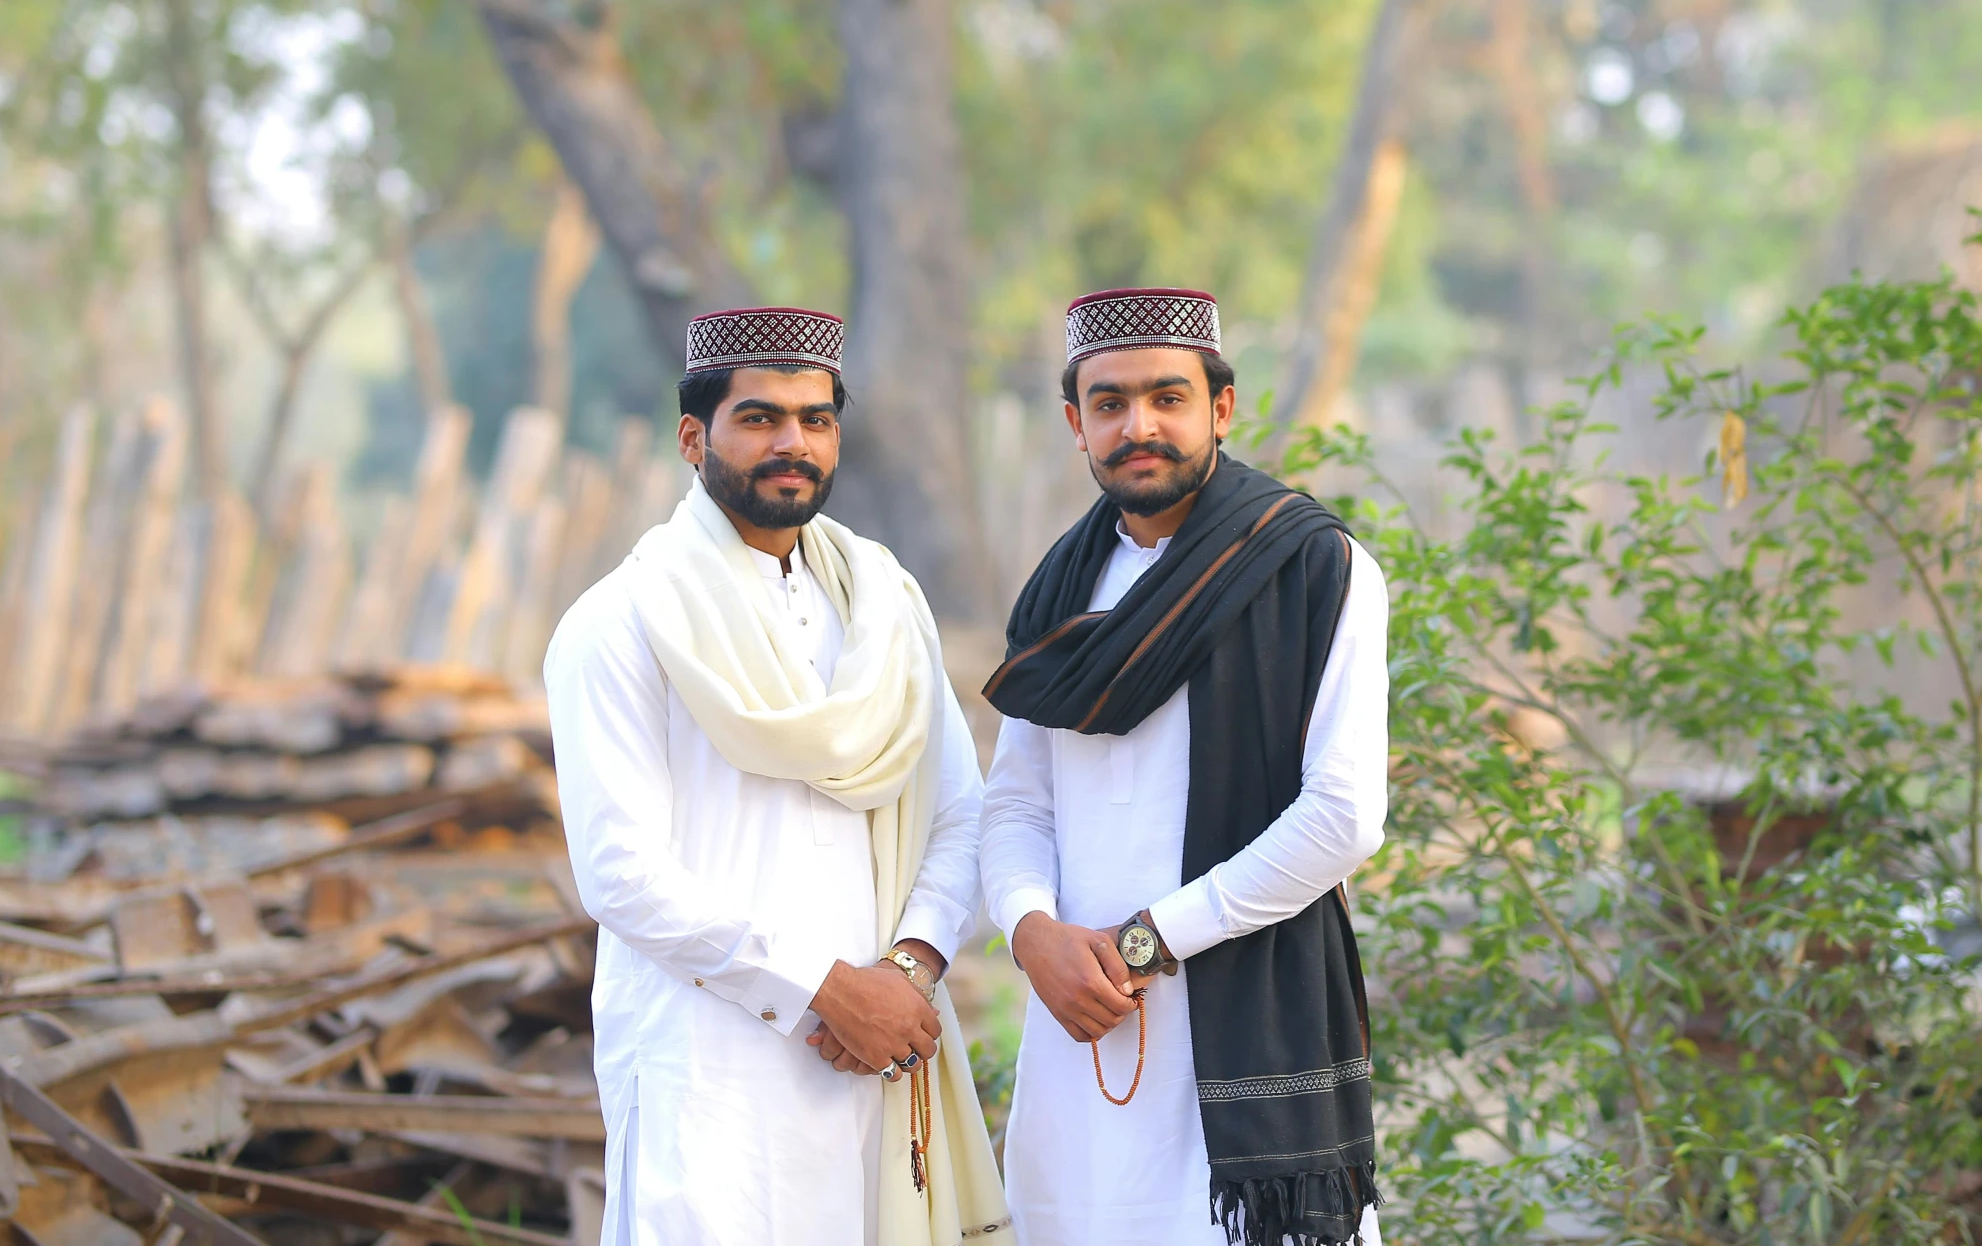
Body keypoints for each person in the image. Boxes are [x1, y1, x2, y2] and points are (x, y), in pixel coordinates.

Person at [544, 305, 1011, 1246]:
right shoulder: (620, 621)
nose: (792, 442)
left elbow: (959, 810)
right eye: (759, 417)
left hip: (879, 1046)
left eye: (816, 418)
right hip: (708, 1071)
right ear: (694, 436)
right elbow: (621, 874)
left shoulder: (887, 605)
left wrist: (908, 968)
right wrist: (823, 990)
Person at [980, 287, 1390, 1246]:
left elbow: (1343, 815)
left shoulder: (1314, 565)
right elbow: (1015, 801)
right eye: (1111, 403)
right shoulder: (1057, 588)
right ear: (1077, 425)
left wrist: (1148, 940)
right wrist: (1030, 926)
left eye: (1168, 396)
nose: (1141, 425)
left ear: (1222, 408)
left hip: (1238, 1012)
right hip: (1077, 1029)